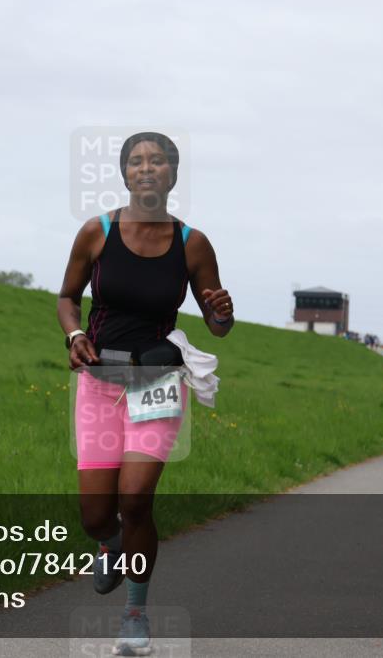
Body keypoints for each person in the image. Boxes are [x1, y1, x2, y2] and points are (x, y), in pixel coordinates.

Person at [57, 131, 233, 655]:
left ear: (173, 175)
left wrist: (222, 311)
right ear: (124, 173)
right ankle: (110, 547)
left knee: (136, 499)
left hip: (156, 384)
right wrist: (75, 334)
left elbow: (218, 323)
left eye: (158, 161)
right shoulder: (97, 232)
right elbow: (68, 296)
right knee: (96, 517)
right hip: (98, 383)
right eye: (136, 161)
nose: (147, 168)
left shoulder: (191, 243)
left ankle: (135, 616)